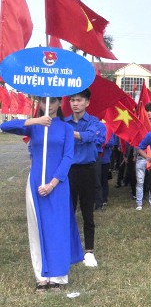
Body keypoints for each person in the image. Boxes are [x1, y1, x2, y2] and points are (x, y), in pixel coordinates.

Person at [2, 97, 83, 292]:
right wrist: (35, 121)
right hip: (35, 183)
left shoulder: (66, 128)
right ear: (39, 104)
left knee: (58, 228)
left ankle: (58, 277)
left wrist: (53, 183)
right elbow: (5, 126)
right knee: (37, 229)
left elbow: (68, 158)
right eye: (44, 101)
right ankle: (41, 277)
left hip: (58, 184)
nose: (48, 105)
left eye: (53, 101)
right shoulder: (34, 126)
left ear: (59, 104)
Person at [63, 89, 106, 267]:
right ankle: (67, 249)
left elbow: (89, 136)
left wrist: (67, 132)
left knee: (88, 213)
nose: (75, 103)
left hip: (88, 170)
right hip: (69, 171)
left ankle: (89, 251)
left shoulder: (93, 122)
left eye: (79, 100)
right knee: (68, 211)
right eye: (72, 100)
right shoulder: (64, 122)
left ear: (87, 102)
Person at [134, 102, 151, 210]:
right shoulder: (141, 123)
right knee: (140, 181)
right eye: (147, 111)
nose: (149, 113)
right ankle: (139, 203)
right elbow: (136, 140)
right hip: (141, 155)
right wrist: (135, 154)